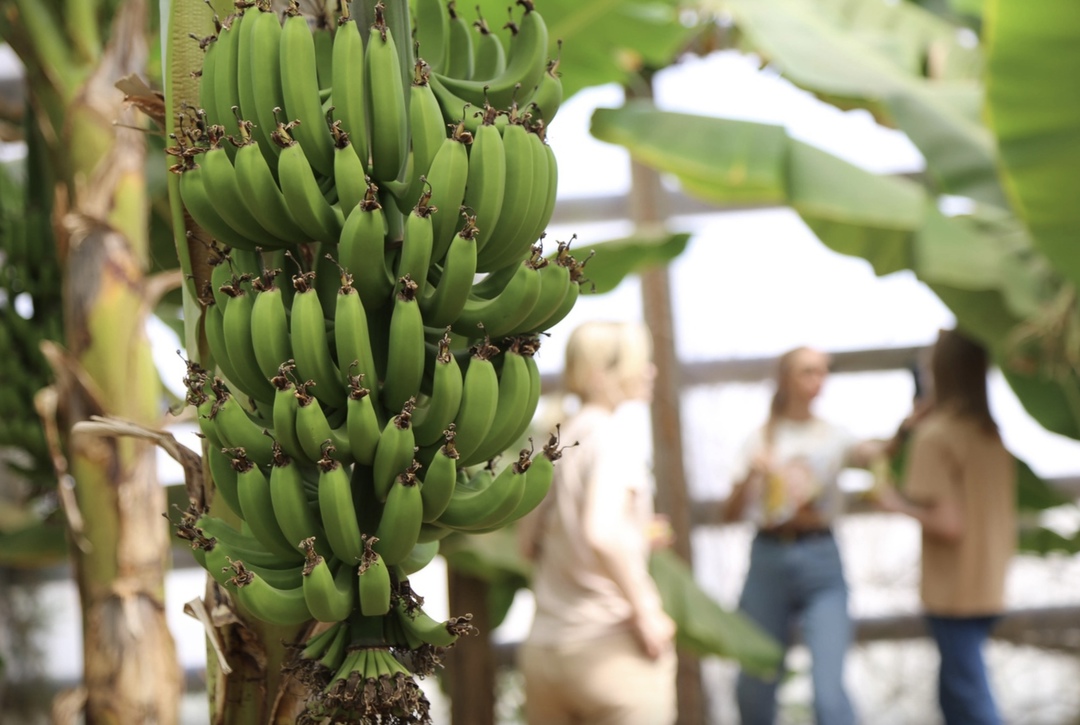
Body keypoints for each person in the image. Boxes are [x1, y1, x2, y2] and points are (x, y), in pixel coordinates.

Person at [516, 320, 677, 725]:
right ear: (599, 374)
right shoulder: (612, 437)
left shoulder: (554, 439)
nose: (650, 371)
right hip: (611, 653)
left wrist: (636, 535)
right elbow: (601, 532)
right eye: (641, 362)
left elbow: (525, 543)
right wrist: (648, 611)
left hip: (547, 654)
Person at [721, 345, 890, 725]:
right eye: (808, 371)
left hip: (822, 559)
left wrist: (899, 436)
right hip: (768, 558)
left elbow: (871, 453)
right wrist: (752, 474)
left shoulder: (835, 436)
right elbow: (729, 513)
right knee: (755, 685)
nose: (818, 379)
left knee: (829, 697)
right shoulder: (758, 440)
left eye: (822, 371)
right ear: (786, 379)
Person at [873, 328, 1015, 725]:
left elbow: (949, 524)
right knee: (954, 694)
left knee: (969, 697)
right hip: (989, 582)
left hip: (954, 589)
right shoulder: (990, 435)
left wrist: (895, 503)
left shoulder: (936, 438)